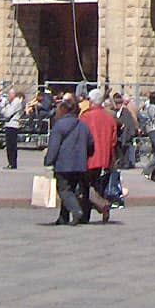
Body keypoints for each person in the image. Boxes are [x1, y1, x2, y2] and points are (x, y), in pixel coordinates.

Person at [43, 94, 91, 225]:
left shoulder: (59, 125)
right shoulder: (83, 125)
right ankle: (63, 217)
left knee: (63, 190)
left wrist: (48, 160)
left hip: (63, 164)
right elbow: (91, 143)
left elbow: (54, 146)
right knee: (70, 189)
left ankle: (76, 211)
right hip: (80, 164)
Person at [80, 89, 118, 221]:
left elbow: (81, 137)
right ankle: (100, 206)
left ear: (91, 101)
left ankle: (97, 208)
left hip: (88, 157)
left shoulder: (85, 116)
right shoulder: (109, 117)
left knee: (84, 187)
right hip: (104, 158)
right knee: (95, 185)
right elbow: (113, 140)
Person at [0, 87, 25, 171]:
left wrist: (3, 107)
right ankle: (11, 163)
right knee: (10, 145)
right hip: (10, 125)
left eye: (9, 94)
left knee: (11, 145)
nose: (8, 96)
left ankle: (12, 163)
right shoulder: (12, 102)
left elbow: (7, 114)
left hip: (12, 125)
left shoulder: (15, 102)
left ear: (13, 94)